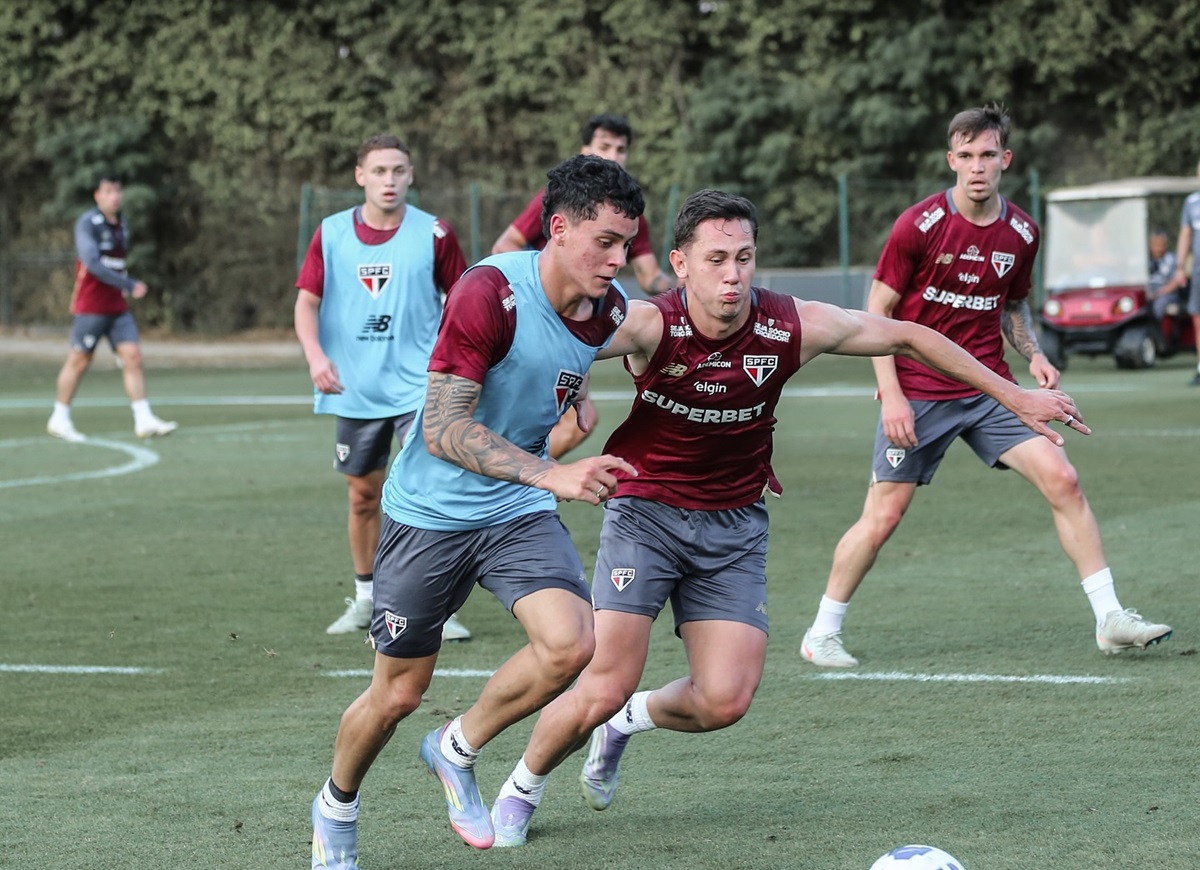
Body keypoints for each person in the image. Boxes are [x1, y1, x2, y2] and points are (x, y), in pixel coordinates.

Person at [487, 188, 1088, 848]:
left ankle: (629, 722)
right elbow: (546, 336)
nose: (733, 273)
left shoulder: (792, 326)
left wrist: (1015, 393)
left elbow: (910, 336)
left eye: (744, 257)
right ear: (680, 264)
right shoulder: (645, 324)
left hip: (734, 526)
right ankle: (522, 784)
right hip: (646, 514)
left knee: (724, 701)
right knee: (602, 682)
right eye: (716, 258)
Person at [309, 154, 644, 867]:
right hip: (428, 515)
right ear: (557, 229)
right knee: (398, 694)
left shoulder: (606, 306)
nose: (619, 260)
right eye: (605, 243)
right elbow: (442, 428)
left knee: (570, 645)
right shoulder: (488, 292)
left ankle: (455, 747)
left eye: (626, 243)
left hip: (514, 510)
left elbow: (593, 354)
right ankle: (337, 803)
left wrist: (572, 400)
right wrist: (552, 470)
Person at [798, 103, 1172, 670]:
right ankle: (821, 631)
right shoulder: (918, 226)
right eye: (966, 156)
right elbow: (878, 309)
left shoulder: (1022, 231)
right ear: (952, 160)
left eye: (987, 155)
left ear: (1006, 160)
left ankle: (1110, 618)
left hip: (990, 389)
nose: (977, 167)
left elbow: (1012, 305)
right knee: (883, 517)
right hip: (920, 390)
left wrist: (1037, 355)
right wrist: (892, 394)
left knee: (1064, 480)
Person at [294, 134, 473, 642]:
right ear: (360, 177)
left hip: (420, 388)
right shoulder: (330, 233)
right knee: (362, 497)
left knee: (431, 494)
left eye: (398, 171)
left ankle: (437, 603)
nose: (388, 180)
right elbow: (306, 302)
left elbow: (464, 302)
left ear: (411, 175)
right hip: (354, 387)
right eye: (379, 171)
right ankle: (368, 596)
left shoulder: (435, 233)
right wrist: (315, 356)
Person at [493, 113, 674, 458]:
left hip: (575, 329)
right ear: (586, 149)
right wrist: (537, 296)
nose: (614, 155)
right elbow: (505, 246)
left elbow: (651, 278)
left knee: (575, 426)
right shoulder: (562, 200)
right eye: (605, 146)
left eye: (621, 149)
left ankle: (525, 481)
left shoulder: (632, 217)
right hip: (531, 325)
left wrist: (690, 283)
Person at [46, 174, 177, 442]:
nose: (114, 196)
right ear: (97, 195)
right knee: (79, 361)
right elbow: (93, 264)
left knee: (133, 357)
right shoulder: (88, 223)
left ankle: (144, 419)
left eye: (117, 190)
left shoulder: (121, 223)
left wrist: (122, 287)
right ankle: (59, 417)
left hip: (116, 306)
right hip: (91, 306)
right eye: (108, 191)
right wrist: (128, 283)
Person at [1172, 159, 1200, 385]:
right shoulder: (1191, 203)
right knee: (1198, 318)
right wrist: (1180, 267)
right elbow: (1185, 234)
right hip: (1198, 270)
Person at [1147, 229, 1183, 325]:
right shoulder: (1144, 259)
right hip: (1148, 291)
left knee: (1159, 305)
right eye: (1156, 245)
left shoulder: (1172, 258)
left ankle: (1156, 332)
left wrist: (1158, 293)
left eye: (1161, 245)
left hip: (1166, 293)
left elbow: (1176, 281)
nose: (1159, 248)